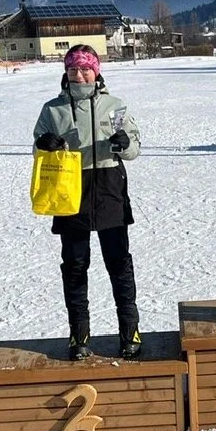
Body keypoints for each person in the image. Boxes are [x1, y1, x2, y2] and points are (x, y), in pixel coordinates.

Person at [34, 44, 143, 360]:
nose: (79, 75)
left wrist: (124, 144)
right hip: (69, 188)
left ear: (96, 72)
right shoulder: (52, 109)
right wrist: (44, 144)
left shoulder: (115, 105)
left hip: (109, 186)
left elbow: (134, 148)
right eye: (73, 69)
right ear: (66, 73)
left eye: (85, 69)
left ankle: (130, 331)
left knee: (118, 262)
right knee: (75, 264)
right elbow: (37, 148)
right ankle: (78, 335)